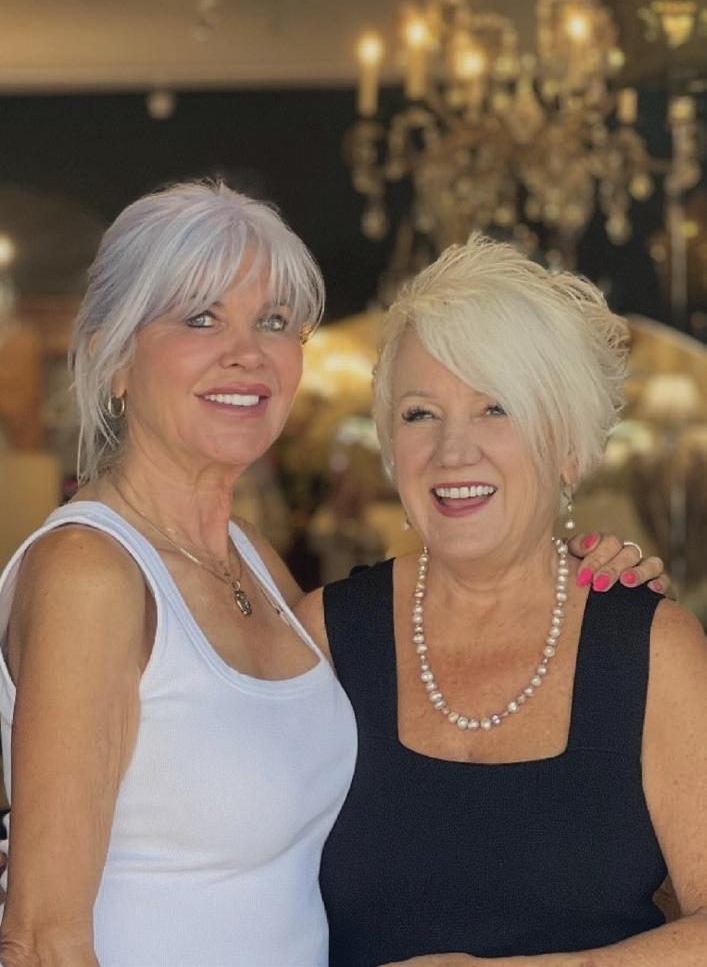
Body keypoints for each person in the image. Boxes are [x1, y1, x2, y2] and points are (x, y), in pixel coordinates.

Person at [0, 182, 666, 967]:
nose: (246, 352)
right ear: (114, 357)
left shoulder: (248, 558)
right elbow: (41, 938)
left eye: (273, 321)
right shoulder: (90, 574)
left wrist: (575, 586)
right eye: (200, 318)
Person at [297, 236, 707, 966]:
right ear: (390, 448)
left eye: (496, 408)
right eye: (420, 414)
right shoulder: (323, 636)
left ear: (568, 449)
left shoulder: (651, 649)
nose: (453, 451)